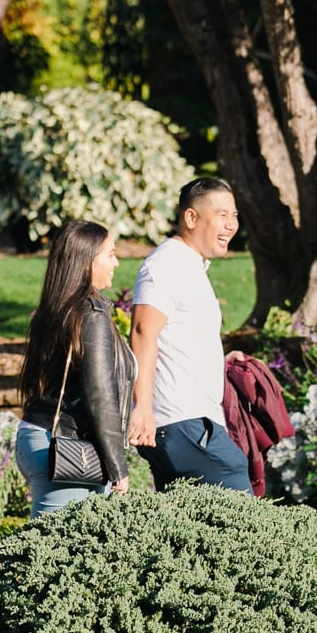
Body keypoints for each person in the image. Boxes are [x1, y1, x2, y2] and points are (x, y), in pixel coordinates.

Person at [127, 177, 252, 493]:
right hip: (184, 422)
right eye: (222, 215)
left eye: (234, 215)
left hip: (188, 422)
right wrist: (142, 408)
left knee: (191, 533)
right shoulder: (168, 263)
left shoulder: (190, 266)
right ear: (191, 218)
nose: (231, 225)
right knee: (247, 522)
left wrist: (220, 361)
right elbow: (143, 332)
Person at [15, 221, 136, 517]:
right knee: (52, 552)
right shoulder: (91, 314)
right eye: (110, 254)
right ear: (86, 262)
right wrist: (117, 465)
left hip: (45, 436)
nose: (116, 262)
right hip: (66, 446)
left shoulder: (59, 308)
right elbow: (100, 393)